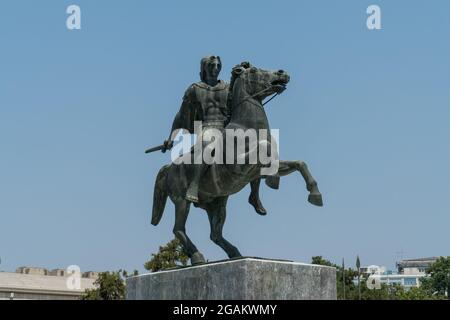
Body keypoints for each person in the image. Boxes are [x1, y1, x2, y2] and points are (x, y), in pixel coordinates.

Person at [163, 56, 267, 214]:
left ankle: (254, 194)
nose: (216, 68)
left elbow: (246, 90)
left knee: (256, 148)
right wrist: (172, 138)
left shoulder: (226, 87)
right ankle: (194, 184)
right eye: (212, 65)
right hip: (208, 127)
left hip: (227, 126)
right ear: (205, 68)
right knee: (207, 143)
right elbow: (181, 116)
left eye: (218, 65)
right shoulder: (195, 89)